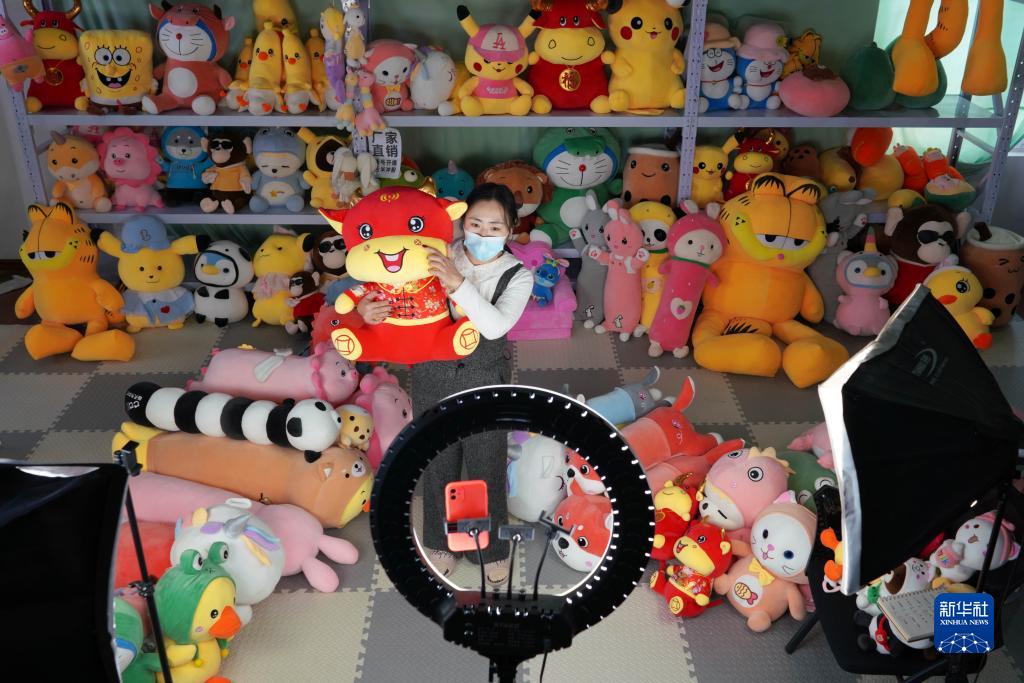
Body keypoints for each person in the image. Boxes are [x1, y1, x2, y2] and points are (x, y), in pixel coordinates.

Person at [357, 183, 533, 584]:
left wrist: (458, 283)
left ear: (511, 229)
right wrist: (369, 310)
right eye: (475, 223)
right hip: (432, 371)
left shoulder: (518, 275)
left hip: (484, 374)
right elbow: (394, 294)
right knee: (438, 459)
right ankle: (439, 541)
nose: (483, 233)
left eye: (494, 227)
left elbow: (495, 326)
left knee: (486, 462)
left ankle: (493, 547)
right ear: (462, 222)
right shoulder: (434, 253)